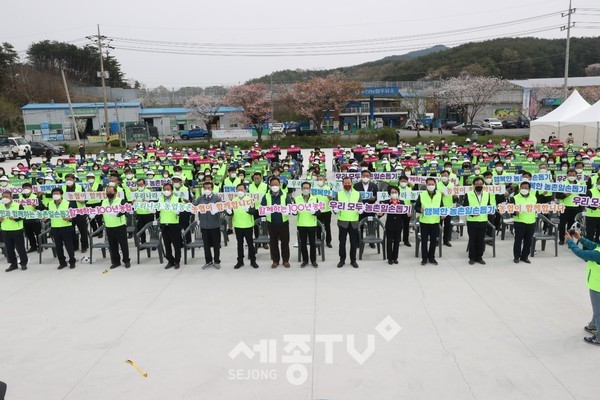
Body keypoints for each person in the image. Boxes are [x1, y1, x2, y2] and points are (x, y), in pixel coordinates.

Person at [565, 230, 600, 345]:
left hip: (597, 286)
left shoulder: (597, 254)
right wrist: (580, 238)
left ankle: (599, 337)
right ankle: (593, 326)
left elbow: (580, 253)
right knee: (597, 308)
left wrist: (570, 242)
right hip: (596, 285)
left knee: (598, 311)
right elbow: (594, 245)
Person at [260, 176, 293, 268]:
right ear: (269, 186)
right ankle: (275, 261)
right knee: (273, 243)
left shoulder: (285, 195)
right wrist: (264, 211)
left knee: (285, 242)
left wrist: (288, 210)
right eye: (273, 184)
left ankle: (285, 260)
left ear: (279, 185)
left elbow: (291, 206)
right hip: (271, 222)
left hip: (283, 222)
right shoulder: (266, 196)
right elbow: (262, 207)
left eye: (276, 184)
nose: (275, 186)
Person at [463, 177, 494, 265]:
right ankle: (472, 257)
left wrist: (491, 211)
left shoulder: (487, 194)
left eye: (480, 184)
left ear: (483, 185)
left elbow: (488, 206)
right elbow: (465, 207)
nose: (479, 186)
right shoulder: (468, 194)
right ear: (473, 185)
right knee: (472, 240)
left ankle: (479, 257)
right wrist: (473, 213)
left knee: (481, 240)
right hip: (472, 220)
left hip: (483, 220)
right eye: (477, 184)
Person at [228, 183, 258, 269]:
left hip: (248, 225)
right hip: (237, 225)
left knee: (250, 244)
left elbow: (254, 212)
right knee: (239, 244)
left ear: (245, 190)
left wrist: (248, 210)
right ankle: (240, 261)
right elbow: (231, 212)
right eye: (238, 190)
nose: (240, 191)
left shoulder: (250, 200)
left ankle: (253, 261)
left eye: (242, 190)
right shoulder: (234, 200)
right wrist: (229, 212)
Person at [45, 188, 76, 269]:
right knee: (58, 247)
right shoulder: (49, 204)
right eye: (54, 193)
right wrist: (45, 218)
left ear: (61, 194)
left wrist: (69, 218)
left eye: (57, 193)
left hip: (66, 227)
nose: (55, 195)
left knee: (69, 246)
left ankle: (72, 261)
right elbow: (49, 214)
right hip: (55, 228)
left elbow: (75, 216)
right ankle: (62, 262)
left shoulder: (68, 203)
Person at [414, 177, 443, 266]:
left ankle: (432, 257)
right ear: (426, 185)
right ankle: (424, 258)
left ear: (435, 185)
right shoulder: (422, 195)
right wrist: (420, 209)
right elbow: (416, 207)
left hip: (435, 221)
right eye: (429, 184)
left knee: (434, 241)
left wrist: (443, 214)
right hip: (424, 221)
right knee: (424, 241)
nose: (431, 186)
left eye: (432, 184)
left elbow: (442, 207)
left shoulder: (439, 195)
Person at [194, 181, 222, 269]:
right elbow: (194, 207)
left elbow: (221, 209)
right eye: (205, 188)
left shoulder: (217, 198)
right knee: (206, 245)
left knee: (216, 244)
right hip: (204, 226)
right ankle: (208, 261)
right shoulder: (200, 198)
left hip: (214, 225)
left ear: (212, 188)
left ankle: (217, 261)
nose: (207, 190)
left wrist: (216, 210)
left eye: (209, 188)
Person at [101, 186, 131, 269]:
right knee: (112, 246)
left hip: (119, 226)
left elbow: (127, 210)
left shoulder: (121, 201)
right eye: (107, 192)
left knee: (123, 245)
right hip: (109, 226)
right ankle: (116, 262)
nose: (109, 194)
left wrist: (118, 214)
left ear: (115, 192)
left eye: (111, 192)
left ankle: (126, 261)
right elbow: (101, 210)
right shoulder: (104, 201)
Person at [0, 190, 28, 272]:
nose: (5, 198)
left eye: (7, 197)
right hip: (5, 230)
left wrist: (15, 218)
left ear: (11, 197)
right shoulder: (1, 206)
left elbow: (24, 216)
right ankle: (13, 264)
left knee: (20, 248)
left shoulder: (18, 205)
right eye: (3, 197)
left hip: (17, 230)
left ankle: (23, 263)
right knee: (9, 249)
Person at [511, 181, 538, 264]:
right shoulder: (514, 198)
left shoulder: (534, 198)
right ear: (519, 189)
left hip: (531, 222)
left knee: (528, 241)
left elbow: (537, 208)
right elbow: (510, 210)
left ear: (529, 189)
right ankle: (516, 257)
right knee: (518, 240)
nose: (524, 189)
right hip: (520, 222)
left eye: (526, 188)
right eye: (522, 188)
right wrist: (515, 212)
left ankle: (525, 256)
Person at [336, 176, 360, 268]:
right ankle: (342, 260)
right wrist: (335, 210)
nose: (347, 185)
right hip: (343, 221)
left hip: (354, 221)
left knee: (353, 243)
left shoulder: (357, 194)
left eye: (348, 183)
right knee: (342, 242)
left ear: (351, 183)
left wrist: (361, 209)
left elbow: (360, 205)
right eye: (345, 183)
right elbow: (335, 205)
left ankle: (353, 260)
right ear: (342, 184)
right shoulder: (339, 194)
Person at [295, 181, 319, 268]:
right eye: (304, 188)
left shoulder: (315, 198)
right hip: (301, 224)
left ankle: (313, 260)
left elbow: (319, 212)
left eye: (307, 188)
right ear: (301, 189)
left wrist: (314, 212)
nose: (305, 190)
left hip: (311, 224)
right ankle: (305, 260)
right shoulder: (297, 199)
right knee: (303, 243)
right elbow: (294, 211)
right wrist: (293, 212)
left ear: (310, 189)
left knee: (313, 244)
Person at [557, 169, 583, 245]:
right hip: (564, 207)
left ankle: (569, 239)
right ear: (567, 175)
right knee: (562, 224)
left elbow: (582, 196)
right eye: (570, 175)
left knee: (571, 225)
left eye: (573, 175)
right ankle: (561, 239)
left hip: (575, 207)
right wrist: (565, 195)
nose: (572, 176)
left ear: (576, 176)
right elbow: (558, 195)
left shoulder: (579, 184)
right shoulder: (562, 184)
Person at [158, 183, 182, 269]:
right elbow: (158, 210)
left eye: (168, 189)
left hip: (174, 225)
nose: (166, 191)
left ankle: (177, 261)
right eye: (165, 189)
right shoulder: (160, 199)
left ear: (172, 191)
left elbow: (181, 211)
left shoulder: (177, 199)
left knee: (176, 245)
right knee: (167, 245)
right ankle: (170, 261)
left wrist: (178, 212)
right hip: (164, 225)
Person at [354, 169, 378, 249]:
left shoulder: (374, 186)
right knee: (359, 225)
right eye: (364, 176)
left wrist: (374, 198)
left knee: (371, 225)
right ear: (361, 176)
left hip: (370, 208)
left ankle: (371, 241)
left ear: (370, 177)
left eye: (367, 176)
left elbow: (377, 196)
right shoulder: (356, 186)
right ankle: (358, 241)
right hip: (360, 208)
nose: (365, 177)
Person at [380, 186, 403, 265]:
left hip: (399, 225)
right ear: (389, 194)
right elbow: (381, 213)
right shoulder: (386, 202)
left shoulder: (402, 202)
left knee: (397, 242)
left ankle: (395, 258)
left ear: (398, 193)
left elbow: (405, 214)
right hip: (389, 224)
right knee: (389, 242)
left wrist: (408, 214)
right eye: (392, 192)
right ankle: (390, 258)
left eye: (395, 192)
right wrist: (380, 213)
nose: (394, 194)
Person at [19, 182, 41, 252]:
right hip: (25, 218)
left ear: (31, 189)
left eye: (28, 188)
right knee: (29, 234)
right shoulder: (19, 198)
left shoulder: (35, 197)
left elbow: (42, 207)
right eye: (24, 188)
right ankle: (33, 246)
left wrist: (36, 206)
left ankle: (40, 246)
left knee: (38, 233)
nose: (26, 189)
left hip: (35, 218)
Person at [437, 169, 455, 247]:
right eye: (442, 175)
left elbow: (454, 199)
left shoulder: (452, 185)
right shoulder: (437, 185)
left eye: (445, 175)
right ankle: (437, 240)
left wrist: (455, 197)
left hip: (449, 207)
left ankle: (446, 240)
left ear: (448, 176)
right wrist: (439, 195)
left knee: (448, 225)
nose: (444, 177)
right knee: (439, 225)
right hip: (439, 208)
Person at [315, 174, 333, 248]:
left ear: (324, 180)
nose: (320, 181)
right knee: (318, 227)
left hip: (327, 210)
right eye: (318, 179)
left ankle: (328, 241)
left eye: (321, 179)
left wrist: (331, 198)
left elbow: (333, 199)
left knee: (327, 227)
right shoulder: (314, 189)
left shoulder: (329, 188)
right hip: (318, 210)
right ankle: (318, 240)